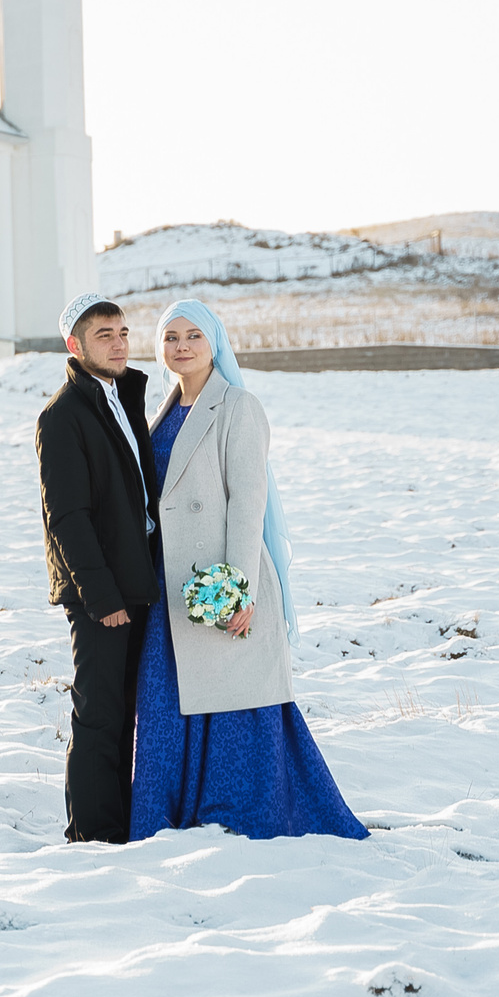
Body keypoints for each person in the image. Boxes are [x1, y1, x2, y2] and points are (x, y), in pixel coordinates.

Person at [130, 299, 366, 842]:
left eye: (193, 335)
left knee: (233, 696)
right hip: (169, 588)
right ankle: (165, 819)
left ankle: (245, 817)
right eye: (170, 337)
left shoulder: (238, 406)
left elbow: (247, 502)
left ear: (215, 342)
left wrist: (237, 587)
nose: (181, 346)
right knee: (170, 701)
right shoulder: (161, 411)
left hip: (219, 581)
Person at [35, 294, 161, 844]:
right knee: (100, 716)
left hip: (136, 584)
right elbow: (67, 517)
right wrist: (101, 596)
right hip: (100, 594)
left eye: (123, 332)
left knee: (129, 713)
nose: (118, 342)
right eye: (104, 334)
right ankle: (91, 833)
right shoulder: (62, 415)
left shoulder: (124, 398)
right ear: (75, 345)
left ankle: (122, 822)